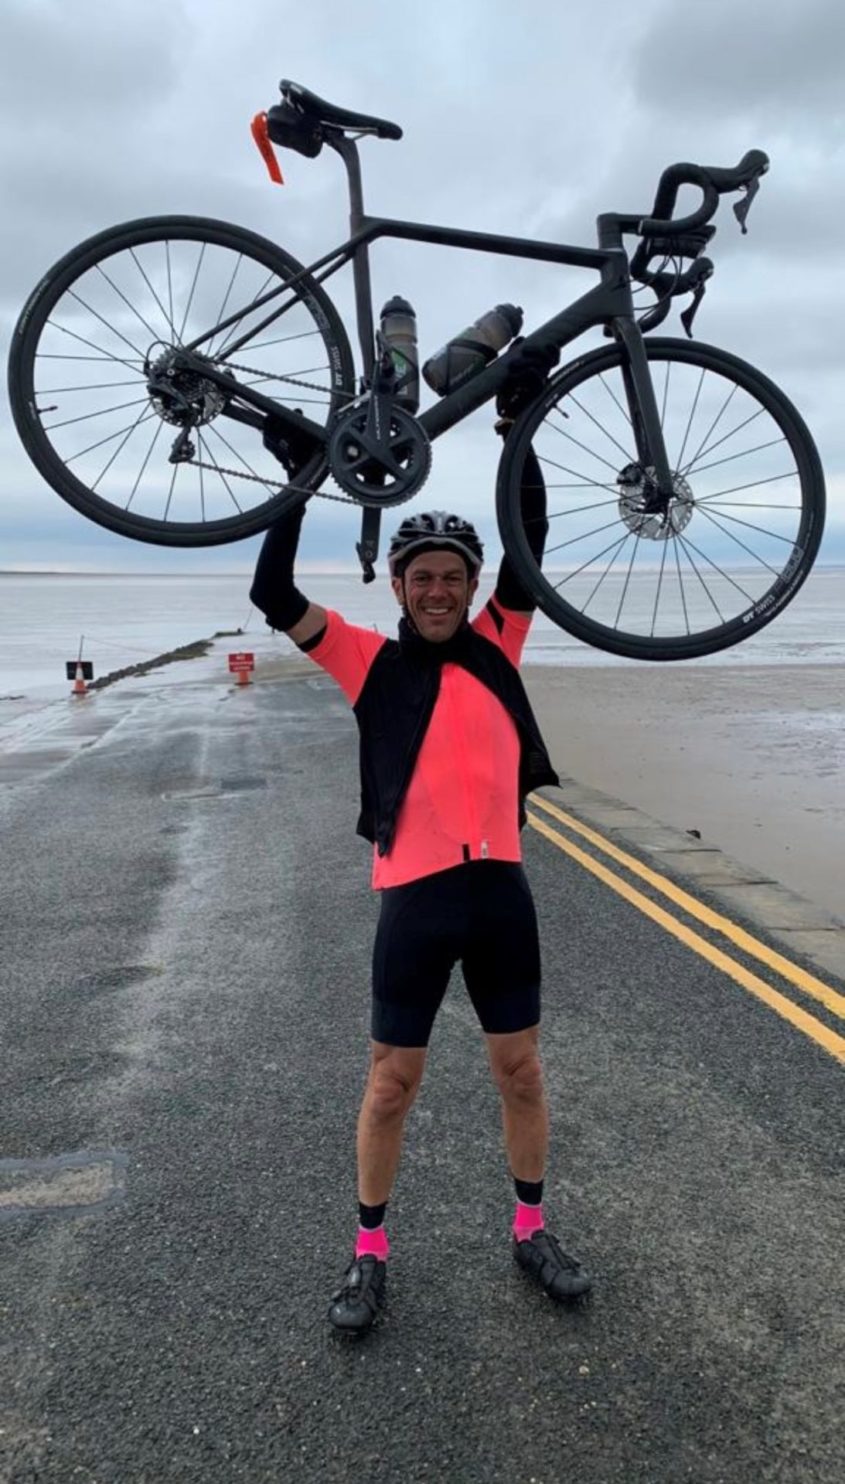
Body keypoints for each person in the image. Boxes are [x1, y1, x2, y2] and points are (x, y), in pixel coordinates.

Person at [249, 350, 592, 1337]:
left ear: (470, 584)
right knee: (390, 1082)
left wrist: (516, 423)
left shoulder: (499, 639)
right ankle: (368, 1252)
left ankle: (529, 1227)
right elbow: (274, 591)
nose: (437, 591)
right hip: (415, 897)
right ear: (397, 585)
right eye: (420, 577)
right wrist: (303, 474)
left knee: (519, 1069)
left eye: (451, 576)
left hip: (500, 896)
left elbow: (532, 529)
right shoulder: (365, 661)